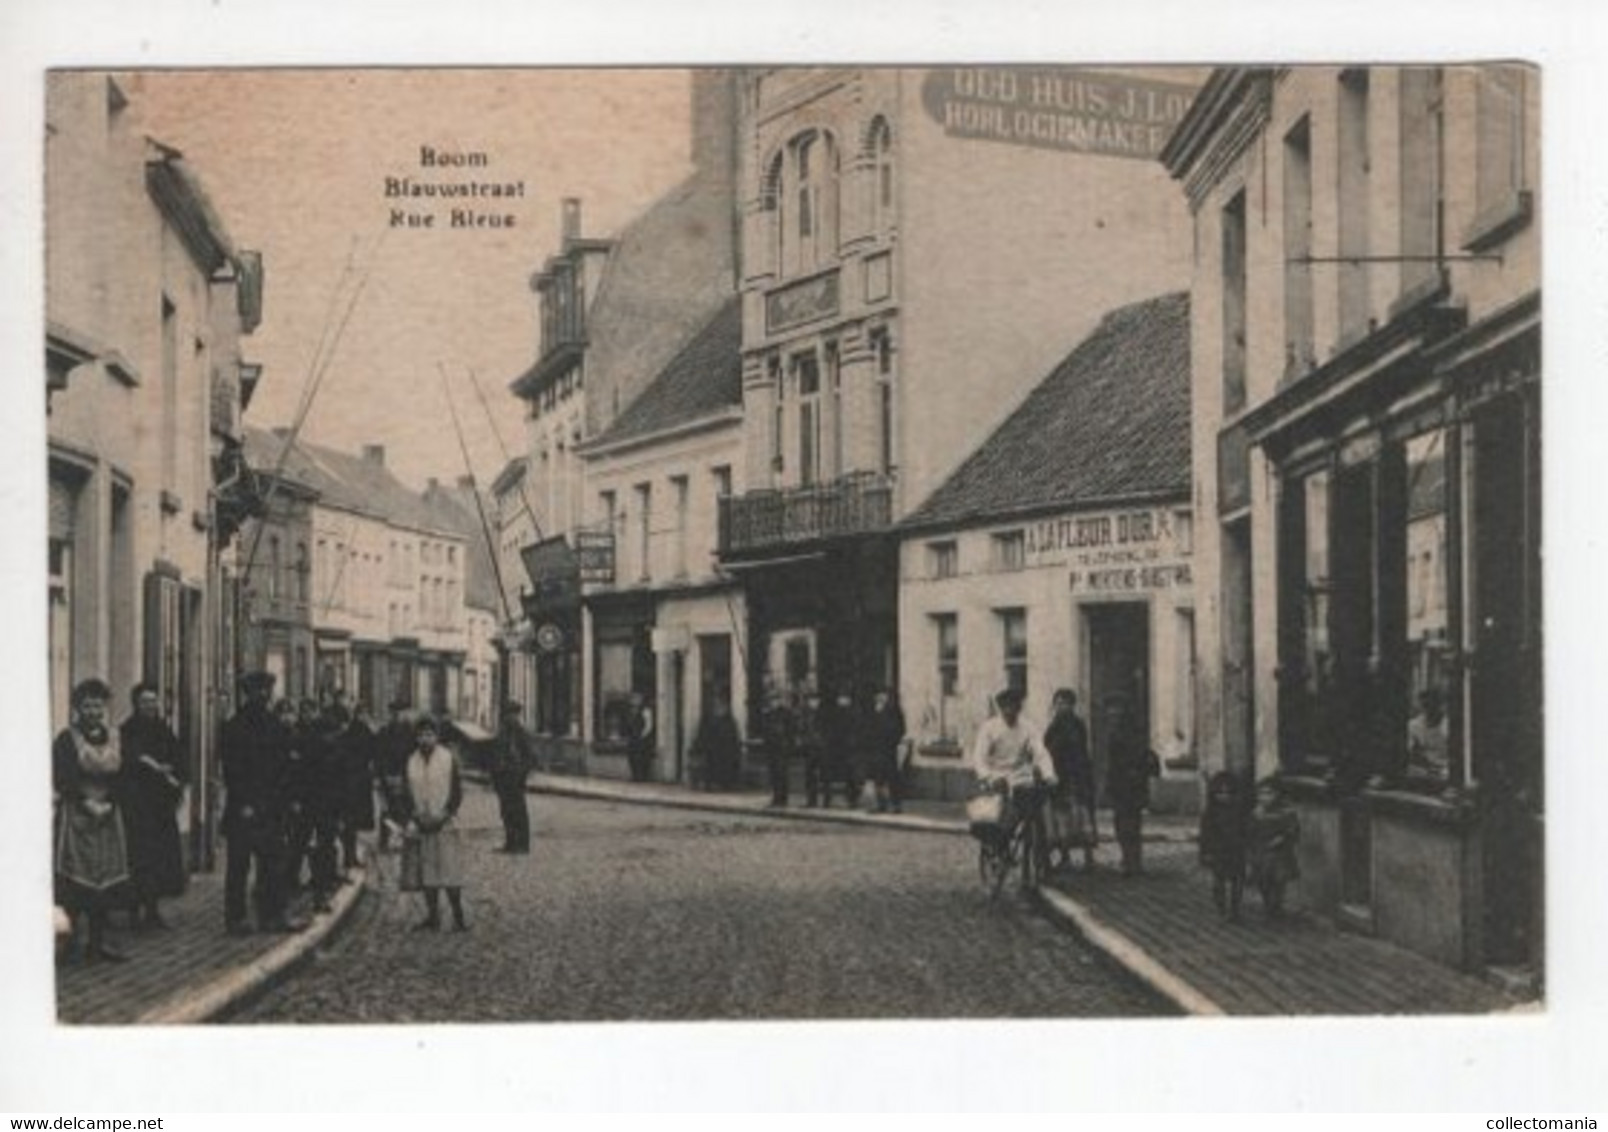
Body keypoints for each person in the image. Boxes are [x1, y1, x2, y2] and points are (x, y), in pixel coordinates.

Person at [53, 678, 132, 963]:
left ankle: (98, 943)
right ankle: (70, 941)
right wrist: (86, 803)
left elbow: (125, 776)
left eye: (98, 706)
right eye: (87, 706)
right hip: (77, 815)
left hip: (109, 816)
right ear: (77, 709)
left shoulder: (116, 736)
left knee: (105, 880)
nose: (93, 711)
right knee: (74, 880)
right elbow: (62, 776)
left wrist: (109, 804)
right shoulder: (66, 739)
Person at [220, 672, 300, 935]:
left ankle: (272, 915)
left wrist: (282, 800)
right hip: (244, 807)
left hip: (271, 807)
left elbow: (284, 766)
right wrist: (244, 802)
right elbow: (231, 770)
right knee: (238, 866)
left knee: (273, 864)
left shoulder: (275, 726)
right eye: (257, 691)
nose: (263, 695)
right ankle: (236, 918)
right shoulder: (234, 727)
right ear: (247, 693)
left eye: (266, 690)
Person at [116, 683, 188, 930]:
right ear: (136, 704)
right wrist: (152, 769)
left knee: (159, 859)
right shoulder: (127, 731)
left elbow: (179, 756)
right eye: (145, 701)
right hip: (138, 807)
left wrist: (175, 776)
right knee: (138, 858)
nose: (151, 706)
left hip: (160, 807)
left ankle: (152, 909)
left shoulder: (163, 730)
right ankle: (134, 910)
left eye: (153, 701)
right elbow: (126, 764)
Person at [969, 688, 1058, 879]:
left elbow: (1040, 753)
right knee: (1004, 818)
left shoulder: (1028, 728)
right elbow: (979, 757)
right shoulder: (990, 728)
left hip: (1020, 776)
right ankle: (1001, 846)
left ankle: (1042, 855)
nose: (1011, 711)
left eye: (1015, 707)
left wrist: (1049, 775)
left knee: (1039, 811)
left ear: (1020, 707)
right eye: (1006, 707)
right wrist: (988, 776)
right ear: (1000, 708)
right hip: (997, 777)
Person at [399, 717, 468, 932]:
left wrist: (445, 814)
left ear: (436, 737)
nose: (425, 739)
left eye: (429, 735)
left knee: (449, 870)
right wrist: (414, 816)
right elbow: (405, 794)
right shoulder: (411, 761)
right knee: (427, 871)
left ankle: (458, 917)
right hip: (422, 822)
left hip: (444, 822)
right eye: (421, 735)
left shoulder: (448, 759)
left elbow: (457, 793)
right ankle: (432, 916)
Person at [1104, 695, 1160, 876]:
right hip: (1127, 785)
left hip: (1128, 785)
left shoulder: (1125, 734)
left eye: (1115, 711)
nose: (1112, 715)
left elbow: (1128, 759)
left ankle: (1131, 862)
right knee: (1128, 824)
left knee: (1127, 825)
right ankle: (1131, 861)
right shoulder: (1121, 732)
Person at [1043, 688, 1097, 872]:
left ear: (1072, 705)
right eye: (1058, 703)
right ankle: (1065, 856)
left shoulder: (1076, 725)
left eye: (1065, 703)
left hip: (1075, 776)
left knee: (1082, 815)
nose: (1061, 707)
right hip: (1059, 777)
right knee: (1062, 818)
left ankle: (1089, 857)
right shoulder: (1054, 726)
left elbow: (1078, 751)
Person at [1198, 771, 1251, 921]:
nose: (1224, 796)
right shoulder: (1210, 813)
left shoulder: (1239, 812)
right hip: (1218, 851)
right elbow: (1205, 836)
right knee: (1219, 881)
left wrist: (1246, 847)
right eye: (1220, 793)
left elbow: (1246, 830)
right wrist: (1205, 853)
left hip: (1236, 851)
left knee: (1237, 881)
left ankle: (1235, 909)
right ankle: (1221, 908)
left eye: (1228, 793)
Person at [1247, 776, 1301, 917]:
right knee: (1263, 880)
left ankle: (1276, 905)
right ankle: (1267, 902)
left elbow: (1293, 830)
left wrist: (1282, 838)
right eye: (1261, 794)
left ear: (1277, 794)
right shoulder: (1256, 812)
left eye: (1269, 793)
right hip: (1261, 852)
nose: (1265, 797)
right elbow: (1250, 831)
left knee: (1278, 881)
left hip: (1279, 853)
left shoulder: (1286, 812)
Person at [336, 702, 378, 876]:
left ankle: (350, 856)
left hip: (358, 781)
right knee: (350, 822)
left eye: (366, 713)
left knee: (352, 823)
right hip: (352, 782)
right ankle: (349, 857)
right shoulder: (354, 732)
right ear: (358, 714)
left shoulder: (364, 731)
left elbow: (373, 752)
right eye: (362, 713)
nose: (365, 716)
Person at [490, 700, 534, 853]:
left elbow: (530, 758)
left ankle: (522, 844)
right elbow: (496, 754)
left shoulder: (521, 733)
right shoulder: (503, 733)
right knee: (506, 812)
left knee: (518, 812)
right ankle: (511, 842)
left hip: (514, 778)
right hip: (503, 778)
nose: (510, 718)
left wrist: (521, 775)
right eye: (508, 715)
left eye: (513, 714)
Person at [376, 698, 416, 851]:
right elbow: (379, 754)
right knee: (386, 809)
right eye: (394, 713)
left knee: (405, 809)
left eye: (400, 713)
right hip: (388, 775)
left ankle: (405, 840)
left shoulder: (411, 733)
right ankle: (384, 840)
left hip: (405, 775)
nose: (397, 716)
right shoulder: (384, 732)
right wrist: (381, 776)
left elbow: (413, 754)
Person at [863, 686, 909, 813]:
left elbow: (901, 728)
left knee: (892, 777)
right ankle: (880, 803)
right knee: (878, 778)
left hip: (889, 749)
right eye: (878, 695)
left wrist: (892, 739)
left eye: (882, 695)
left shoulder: (894, 710)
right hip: (875, 749)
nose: (880, 698)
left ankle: (896, 804)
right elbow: (867, 727)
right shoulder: (872, 710)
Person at [690, 692, 742, 791]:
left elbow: (732, 734)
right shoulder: (709, 718)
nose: (719, 707)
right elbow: (703, 733)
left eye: (721, 704)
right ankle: (712, 783)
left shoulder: (728, 720)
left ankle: (725, 784)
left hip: (725, 749)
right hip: (713, 748)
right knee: (712, 765)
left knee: (725, 765)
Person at [759, 686, 796, 808]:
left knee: (782, 773)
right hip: (772, 748)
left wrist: (789, 745)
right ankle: (776, 797)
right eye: (771, 700)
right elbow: (765, 731)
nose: (773, 702)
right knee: (774, 773)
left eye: (775, 699)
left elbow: (791, 731)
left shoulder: (786, 713)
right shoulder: (768, 714)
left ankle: (783, 798)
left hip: (782, 748)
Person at [823, 687, 860, 807]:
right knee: (833, 773)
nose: (842, 700)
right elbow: (830, 728)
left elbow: (858, 728)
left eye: (845, 698)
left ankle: (852, 799)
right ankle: (829, 799)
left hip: (851, 748)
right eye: (840, 698)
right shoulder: (834, 712)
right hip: (836, 747)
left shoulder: (855, 712)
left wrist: (853, 741)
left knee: (851, 774)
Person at [796, 690, 832, 808]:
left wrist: (825, 742)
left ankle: (827, 800)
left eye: (815, 700)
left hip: (823, 748)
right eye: (811, 700)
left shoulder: (824, 714)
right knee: (810, 775)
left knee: (825, 775)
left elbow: (829, 731)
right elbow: (802, 729)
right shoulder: (805, 714)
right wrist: (803, 741)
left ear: (819, 701)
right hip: (810, 748)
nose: (813, 703)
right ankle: (812, 800)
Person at [1407, 687, 1450, 780]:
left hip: (1446, 770)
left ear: (1441, 705)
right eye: (1425, 705)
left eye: (1433, 705)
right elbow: (1409, 751)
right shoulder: (1414, 725)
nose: (1429, 709)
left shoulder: (1451, 726)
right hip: (1423, 770)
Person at [625, 691, 656, 783]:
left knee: (641, 757)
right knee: (632, 757)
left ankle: (641, 776)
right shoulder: (631, 711)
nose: (634, 701)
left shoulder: (645, 711)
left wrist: (642, 736)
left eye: (637, 698)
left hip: (642, 739)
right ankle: (635, 775)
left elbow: (648, 725)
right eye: (633, 698)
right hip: (633, 738)